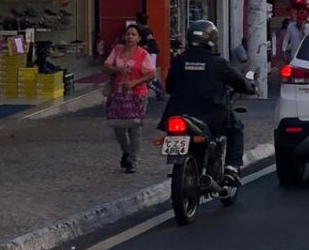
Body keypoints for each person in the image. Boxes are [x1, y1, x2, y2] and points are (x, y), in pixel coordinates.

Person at [163, 20, 256, 184]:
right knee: (236, 127)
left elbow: (169, 87)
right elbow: (239, 82)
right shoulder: (218, 63)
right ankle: (231, 169)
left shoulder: (178, 61)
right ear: (212, 39)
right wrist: (249, 87)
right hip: (211, 114)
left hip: (177, 113)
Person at [102, 23, 155, 174]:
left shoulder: (142, 54)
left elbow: (151, 74)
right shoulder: (117, 50)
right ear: (124, 36)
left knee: (134, 128)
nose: (130, 37)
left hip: (137, 95)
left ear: (138, 39)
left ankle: (132, 160)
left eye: (133, 34)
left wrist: (134, 82)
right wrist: (118, 69)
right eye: (128, 34)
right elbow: (105, 67)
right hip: (117, 94)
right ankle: (126, 151)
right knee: (118, 127)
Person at [135, 12, 164, 99]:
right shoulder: (144, 30)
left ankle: (157, 89)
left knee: (148, 73)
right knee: (147, 74)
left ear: (138, 22)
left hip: (150, 54)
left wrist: (143, 47)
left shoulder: (146, 31)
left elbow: (150, 40)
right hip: (150, 54)